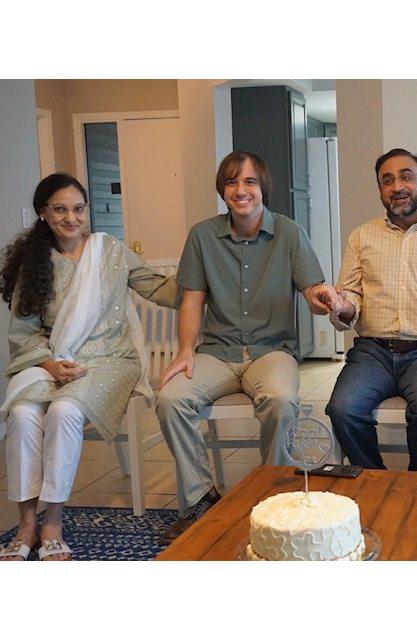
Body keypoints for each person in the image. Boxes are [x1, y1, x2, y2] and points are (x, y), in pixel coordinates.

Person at [156, 151, 331, 544]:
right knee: (170, 400)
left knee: (282, 399)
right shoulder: (202, 236)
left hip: (272, 351)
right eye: (232, 182)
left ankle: (274, 495)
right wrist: (186, 350)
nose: (241, 190)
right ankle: (201, 497)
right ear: (223, 189)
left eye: (249, 182)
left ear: (262, 188)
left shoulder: (289, 233)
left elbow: (312, 288)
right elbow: (192, 299)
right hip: (217, 352)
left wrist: (324, 296)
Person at [0, 173, 177, 561]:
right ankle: (27, 524)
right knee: (22, 411)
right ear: (43, 214)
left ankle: (53, 523)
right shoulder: (36, 263)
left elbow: (159, 288)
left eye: (78, 209)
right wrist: (49, 364)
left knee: (63, 411)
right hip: (54, 360)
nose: (71, 218)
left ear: (87, 210)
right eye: (60, 209)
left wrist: (206, 278)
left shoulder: (109, 251)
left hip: (112, 360)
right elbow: (23, 331)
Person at [309, 148, 417, 472]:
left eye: (406, 176)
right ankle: (376, 480)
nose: (397, 186)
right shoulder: (361, 237)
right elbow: (349, 299)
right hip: (372, 352)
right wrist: (340, 304)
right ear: (380, 190)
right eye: (387, 181)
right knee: (342, 408)